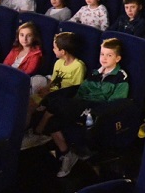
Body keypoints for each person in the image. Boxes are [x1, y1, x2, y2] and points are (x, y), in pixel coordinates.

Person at [41, 37, 130, 177]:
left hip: (98, 109)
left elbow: (116, 101)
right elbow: (82, 90)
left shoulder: (120, 76)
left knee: (54, 105)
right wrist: (73, 105)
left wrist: (91, 107)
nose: (104, 58)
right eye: (102, 54)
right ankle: (68, 154)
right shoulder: (96, 73)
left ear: (117, 58)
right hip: (82, 104)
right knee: (53, 121)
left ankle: (38, 131)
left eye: (109, 55)